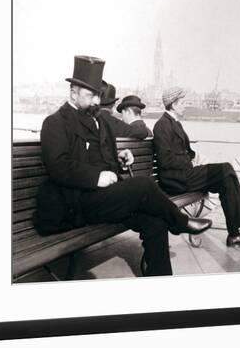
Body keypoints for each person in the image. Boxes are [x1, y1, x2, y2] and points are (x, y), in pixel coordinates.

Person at [35, 56, 212, 277]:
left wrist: (118, 157)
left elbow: (94, 154)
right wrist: (97, 177)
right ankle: (181, 222)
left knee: (155, 221)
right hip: (76, 205)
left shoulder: (97, 119)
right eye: (90, 96)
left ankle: (162, 283)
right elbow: (58, 166)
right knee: (144, 185)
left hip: (102, 199)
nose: (96, 102)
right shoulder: (55, 123)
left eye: (98, 96)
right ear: (73, 92)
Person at [153, 86, 240, 248]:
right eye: (183, 102)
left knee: (226, 181)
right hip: (176, 179)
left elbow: (186, 153)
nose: (186, 105)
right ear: (174, 104)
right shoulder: (162, 125)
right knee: (226, 169)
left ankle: (234, 235)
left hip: (183, 174)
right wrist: (188, 162)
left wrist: (188, 159)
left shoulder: (172, 123)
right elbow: (164, 160)